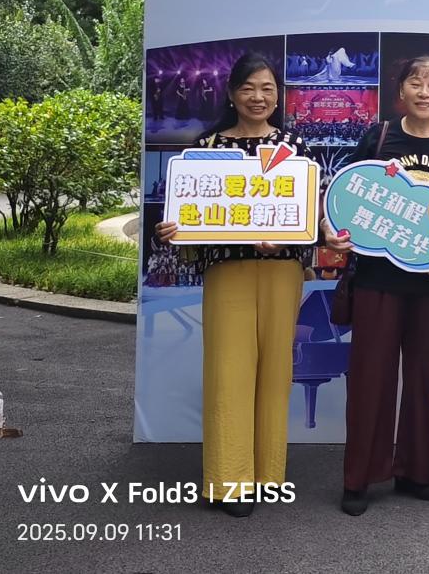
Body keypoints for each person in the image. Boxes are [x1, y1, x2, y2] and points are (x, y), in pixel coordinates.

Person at [155, 52, 349, 516]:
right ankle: (228, 480)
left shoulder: (294, 146)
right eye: (248, 88)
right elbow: (189, 213)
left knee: (276, 372)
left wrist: (317, 235)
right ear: (231, 94)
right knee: (228, 372)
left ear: (278, 95)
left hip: (282, 272)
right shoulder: (207, 148)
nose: (257, 97)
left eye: (267, 89)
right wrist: (173, 228)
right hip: (228, 272)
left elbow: (309, 210)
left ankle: (267, 476)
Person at [339, 56, 429, 516]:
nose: (424, 92)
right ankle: (358, 477)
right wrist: (334, 230)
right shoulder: (378, 138)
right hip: (377, 279)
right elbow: (344, 197)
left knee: (422, 378)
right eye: (416, 82)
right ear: (401, 91)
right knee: (370, 379)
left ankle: (415, 472)